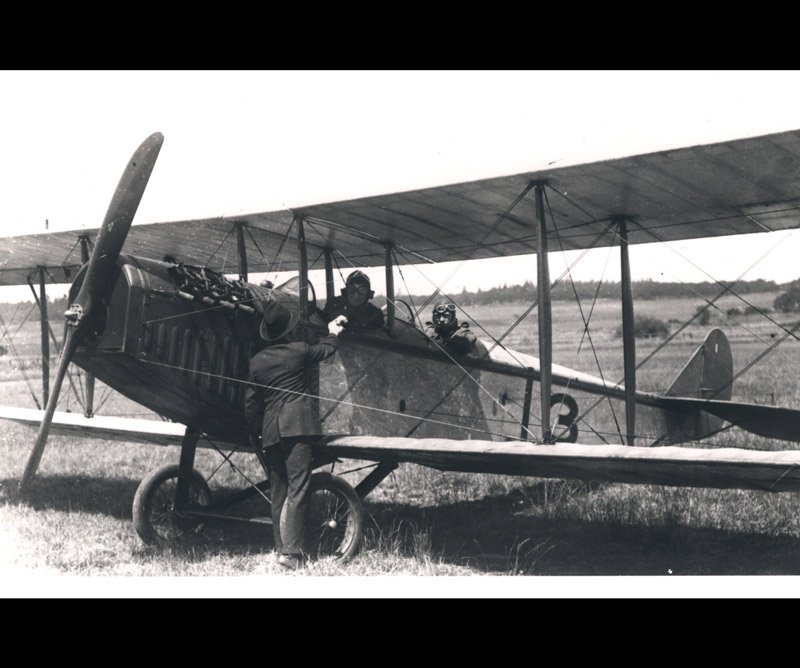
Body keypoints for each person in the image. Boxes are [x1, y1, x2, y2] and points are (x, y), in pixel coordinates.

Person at [245, 298, 346, 571]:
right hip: (298, 427)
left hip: (271, 431)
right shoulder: (298, 350)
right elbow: (326, 349)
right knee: (298, 488)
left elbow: (252, 404)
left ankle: (281, 547)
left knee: (279, 491)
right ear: (288, 330)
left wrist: (255, 432)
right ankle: (291, 553)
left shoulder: (256, 363)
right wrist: (333, 330)